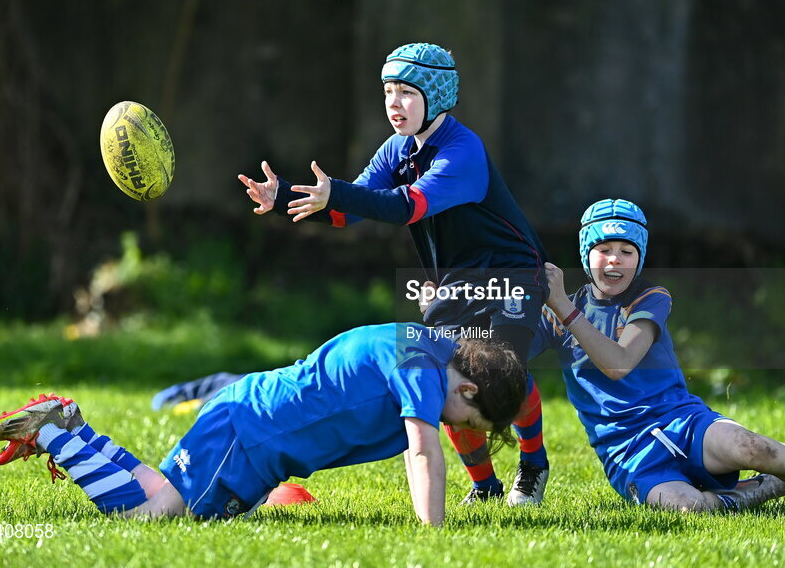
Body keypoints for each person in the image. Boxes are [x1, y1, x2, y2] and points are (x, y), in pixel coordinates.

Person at [231, 42, 550, 506]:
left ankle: (533, 463)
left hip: (513, 276)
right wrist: (284, 199)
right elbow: (350, 212)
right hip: (456, 286)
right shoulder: (397, 150)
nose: (394, 104)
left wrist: (337, 193)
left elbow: (405, 206)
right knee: (449, 376)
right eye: (388, 92)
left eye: (406, 92)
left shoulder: (464, 151)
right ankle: (484, 486)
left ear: (436, 95)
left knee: (501, 369)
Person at [531, 198, 785, 516]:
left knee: (756, 449)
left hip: (681, 420)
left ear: (640, 258)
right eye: (603, 250)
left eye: (626, 250)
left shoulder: (649, 297)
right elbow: (507, 356)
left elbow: (618, 363)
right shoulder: (558, 310)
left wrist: (564, 307)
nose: (614, 260)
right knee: (686, 509)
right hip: (627, 451)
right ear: (586, 256)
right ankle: (754, 492)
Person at [0, 323, 527, 525]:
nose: (463, 431)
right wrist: (433, 539)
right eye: (471, 420)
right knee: (155, 514)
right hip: (250, 433)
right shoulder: (423, 373)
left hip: (252, 425)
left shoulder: (426, 342)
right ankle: (50, 434)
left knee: (163, 493)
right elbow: (422, 452)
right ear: (467, 388)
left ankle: (70, 427)